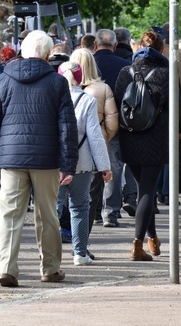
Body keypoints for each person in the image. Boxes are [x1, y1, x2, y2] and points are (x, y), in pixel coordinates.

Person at [0, 30, 78, 288]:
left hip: (12, 158)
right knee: (47, 215)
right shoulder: (57, 83)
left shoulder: (3, 79)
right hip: (46, 159)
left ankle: (6, 267)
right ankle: (50, 268)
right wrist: (69, 164)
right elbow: (67, 126)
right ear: (47, 54)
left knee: (10, 215)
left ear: (23, 51)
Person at [114, 30, 181, 261]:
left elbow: (117, 103)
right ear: (161, 49)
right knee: (147, 190)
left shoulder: (125, 71)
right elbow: (178, 108)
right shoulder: (166, 74)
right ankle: (136, 244)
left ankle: (152, 237)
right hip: (156, 139)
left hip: (130, 137)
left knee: (145, 188)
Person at [56, 61, 112, 265]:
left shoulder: (53, 97)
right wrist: (104, 166)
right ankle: (80, 253)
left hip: (56, 163)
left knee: (53, 208)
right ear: (81, 79)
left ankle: (50, 252)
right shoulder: (87, 100)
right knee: (79, 207)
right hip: (82, 163)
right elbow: (95, 136)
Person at [69, 47, 118, 235]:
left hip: (67, 149)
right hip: (92, 150)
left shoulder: (62, 87)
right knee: (89, 198)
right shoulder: (102, 89)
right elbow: (112, 122)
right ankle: (82, 240)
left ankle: (66, 233)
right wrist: (104, 137)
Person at [93, 29, 136, 227]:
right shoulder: (126, 66)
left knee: (89, 167)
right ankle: (110, 212)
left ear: (95, 44)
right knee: (114, 166)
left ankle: (92, 209)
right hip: (116, 122)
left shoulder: (88, 64)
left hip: (90, 122)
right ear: (116, 45)